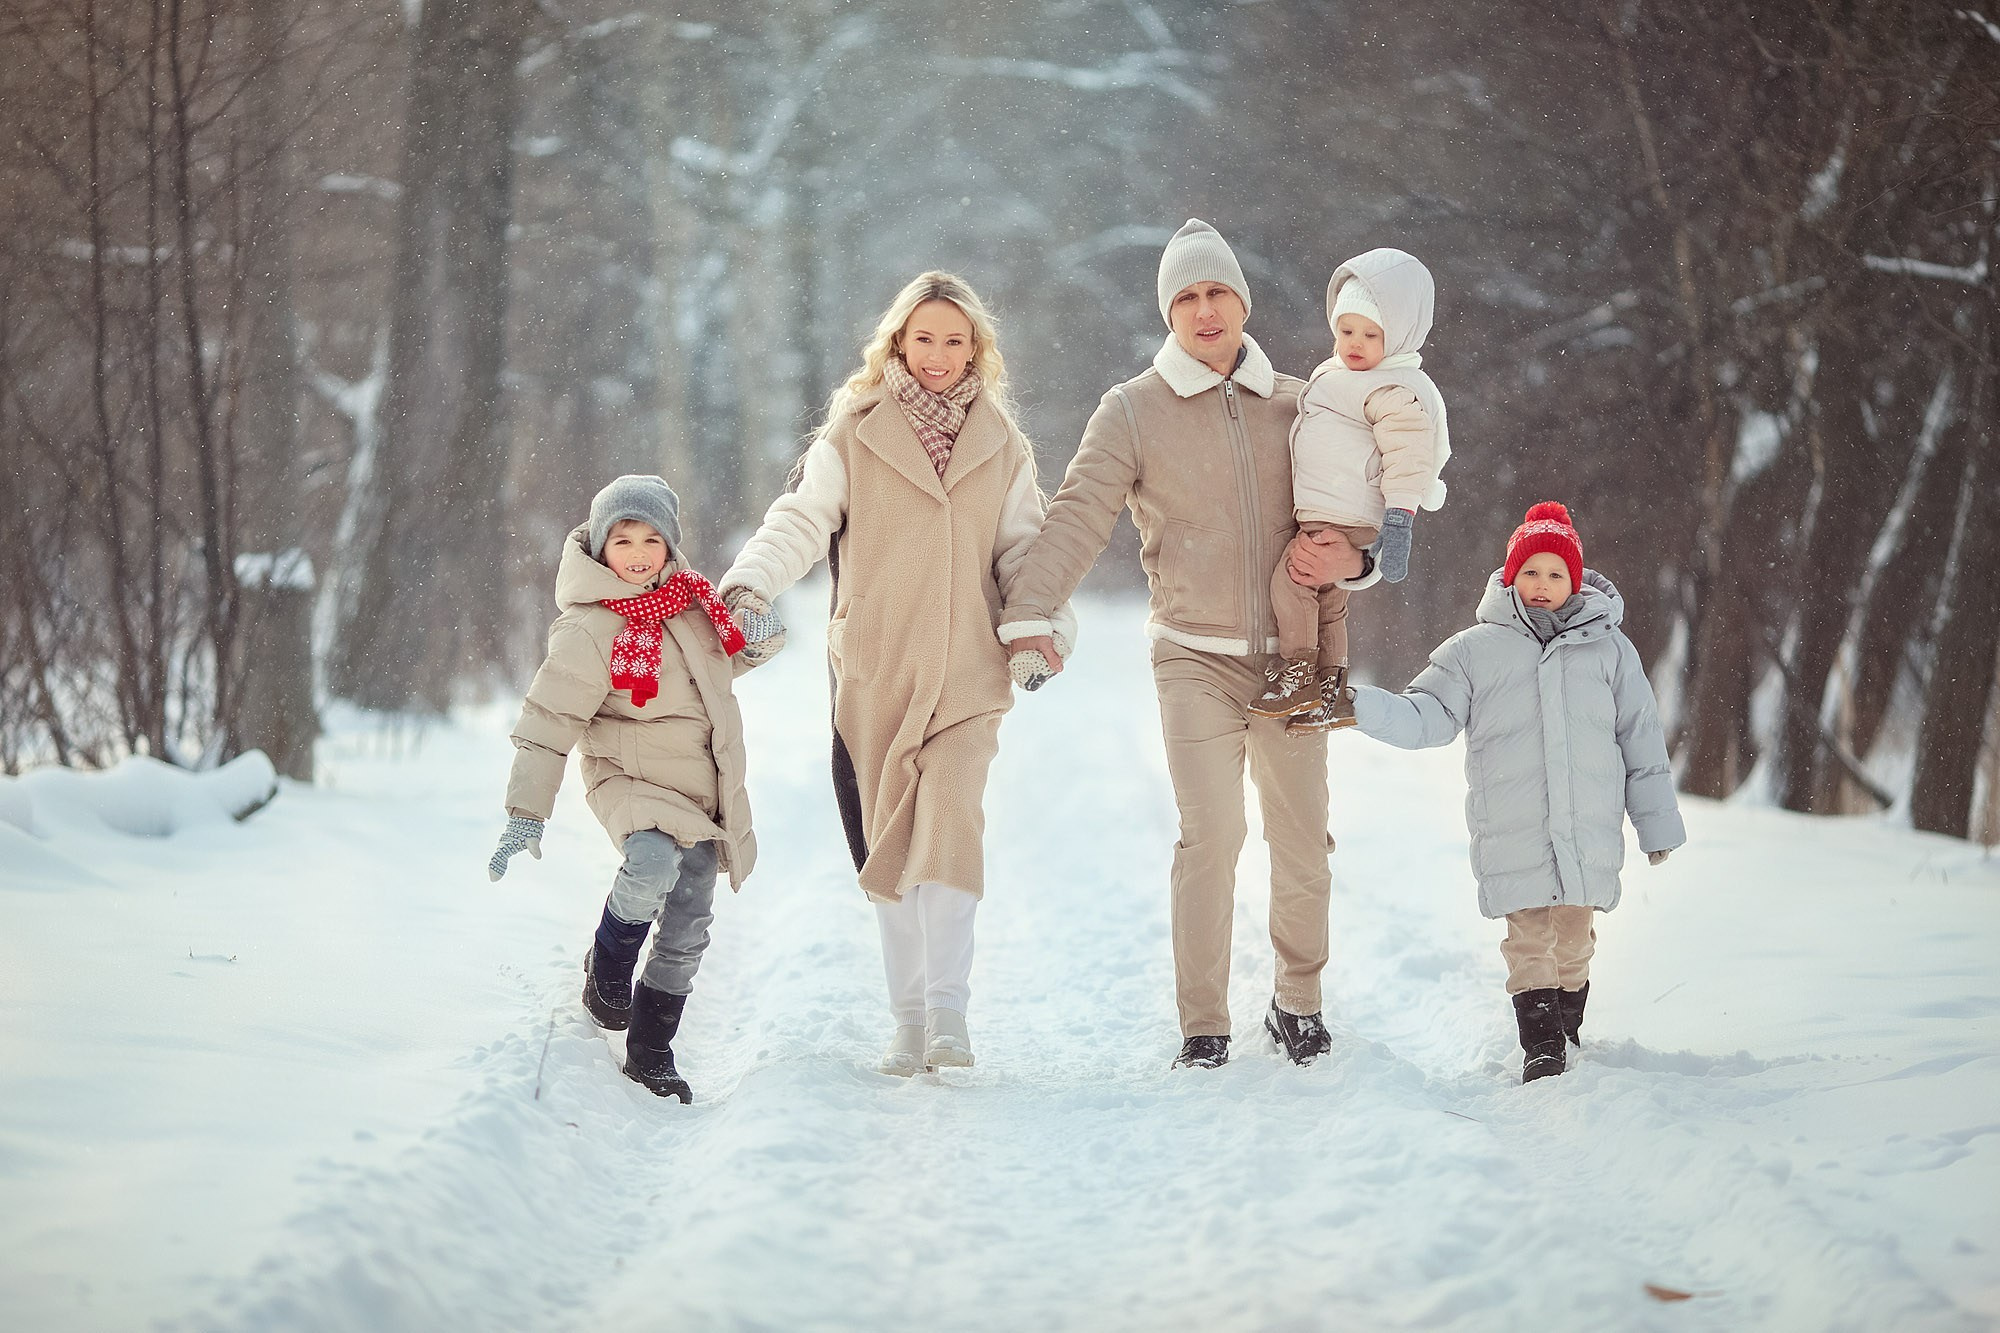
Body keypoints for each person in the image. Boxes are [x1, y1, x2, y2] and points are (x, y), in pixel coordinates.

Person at [1000, 219, 1369, 1070]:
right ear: (1169, 311)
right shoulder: (1131, 410)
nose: (1206, 310)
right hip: (1192, 656)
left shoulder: (1304, 402)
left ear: (1243, 299)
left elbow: (1358, 521)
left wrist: (1358, 556)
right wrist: (1027, 614)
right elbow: (1076, 520)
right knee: (1211, 835)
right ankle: (1204, 1023)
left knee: (1303, 834)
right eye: (1188, 297)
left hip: (1297, 654)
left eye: (1218, 292)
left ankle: (1299, 1002)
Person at [718, 272, 1074, 1077]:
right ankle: (907, 1020)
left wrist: (1041, 631)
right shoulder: (855, 430)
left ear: (975, 348)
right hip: (875, 671)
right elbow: (801, 521)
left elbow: (1028, 551)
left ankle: (948, 1010)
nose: (940, 355)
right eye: (925, 339)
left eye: (955, 340)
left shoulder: (1002, 444)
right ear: (898, 345)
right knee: (889, 849)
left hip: (968, 673)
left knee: (949, 828)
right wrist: (750, 583)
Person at [1341, 502, 1685, 1082]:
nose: (1542, 585)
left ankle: (1567, 1026)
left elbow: (1641, 740)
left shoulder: (1610, 651)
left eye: (1555, 574)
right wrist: (1356, 705)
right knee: (1529, 940)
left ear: (1574, 581)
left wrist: (1657, 826)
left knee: (1574, 941)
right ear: (1509, 576)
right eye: (1531, 573)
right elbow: (1426, 715)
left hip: (1586, 831)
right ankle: (1542, 1046)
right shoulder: (1475, 650)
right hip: (1514, 827)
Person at [487, 475, 757, 1104]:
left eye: (652, 539)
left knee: (690, 919)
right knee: (650, 862)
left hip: (699, 788)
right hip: (629, 777)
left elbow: (724, 660)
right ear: (599, 547)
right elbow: (550, 721)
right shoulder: (589, 628)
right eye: (623, 539)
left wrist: (758, 637)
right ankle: (608, 969)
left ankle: (652, 1050)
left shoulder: (692, 606)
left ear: (671, 547)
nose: (638, 553)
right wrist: (527, 811)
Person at [1249, 248, 1453, 725]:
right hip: (1336, 510)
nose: (1354, 344)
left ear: (1398, 335)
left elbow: (1409, 456)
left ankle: (1297, 669)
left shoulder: (1390, 387)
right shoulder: (1339, 374)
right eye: (1345, 331)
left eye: (1370, 334)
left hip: (1348, 514)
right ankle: (1331, 688)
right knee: (1329, 602)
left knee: (1293, 581)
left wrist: (1400, 519)